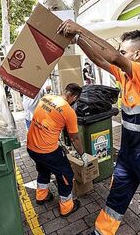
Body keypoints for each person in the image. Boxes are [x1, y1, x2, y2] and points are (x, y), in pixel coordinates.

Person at [57, 21, 140, 235]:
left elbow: (111, 56)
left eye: (123, 51)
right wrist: (77, 39)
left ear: (137, 55)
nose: (118, 53)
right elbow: (99, 59)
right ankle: (101, 231)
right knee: (117, 195)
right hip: (129, 153)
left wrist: (80, 29)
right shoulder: (125, 76)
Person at [27, 83, 86, 217]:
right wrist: (82, 154)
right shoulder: (68, 111)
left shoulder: (46, 98)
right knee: (66, 175)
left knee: (43, 169)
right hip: (47, 151)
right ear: (74, 97)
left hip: (31, 146)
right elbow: (75, 138)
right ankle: (66, 207)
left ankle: (41, 196)